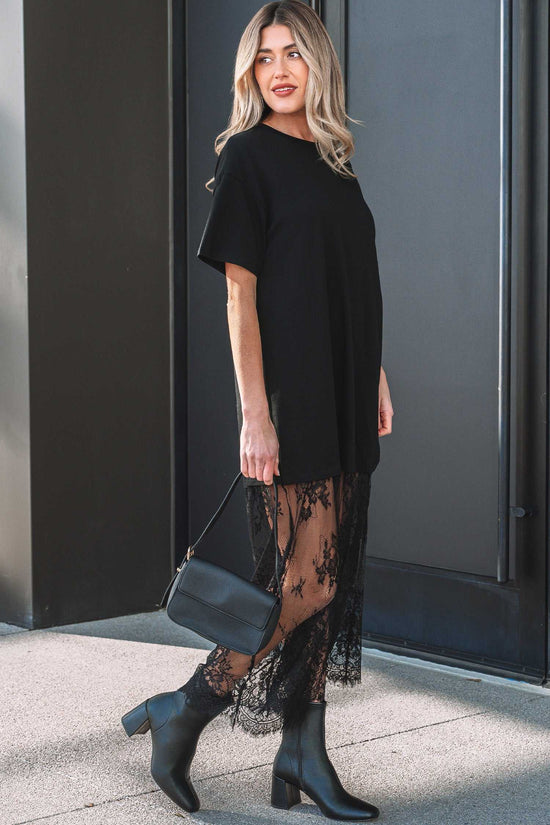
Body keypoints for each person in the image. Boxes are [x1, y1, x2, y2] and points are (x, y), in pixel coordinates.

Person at [121, 1, 394, 819]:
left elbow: (350, 285)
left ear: (318, 66)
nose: (278, 69)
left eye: (293, 54)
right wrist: (255, 414)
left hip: (346, 390)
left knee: (329, 580)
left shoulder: (337, 162)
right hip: (291, 397)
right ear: (250, 73)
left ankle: (301, 752)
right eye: (264, 56)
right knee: (300, 586)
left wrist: (376, 374)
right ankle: (184, 709)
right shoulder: (248, 157)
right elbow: (241, 299)